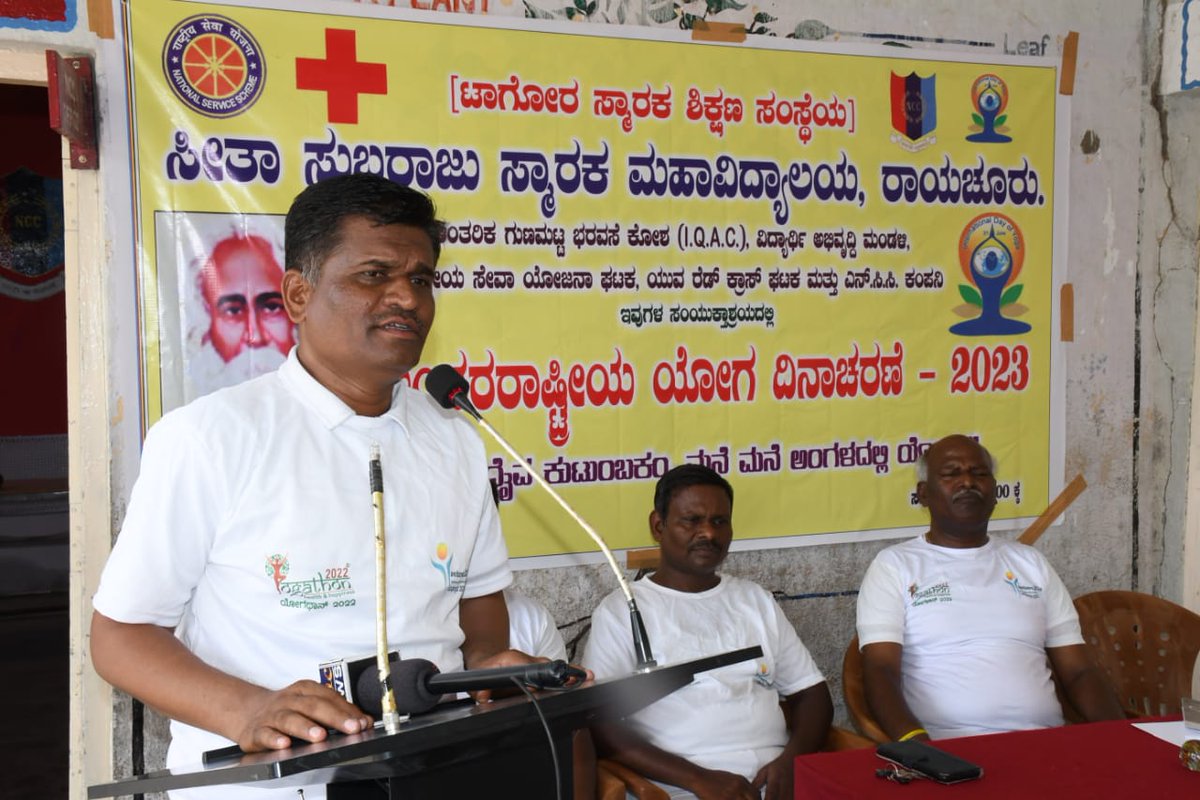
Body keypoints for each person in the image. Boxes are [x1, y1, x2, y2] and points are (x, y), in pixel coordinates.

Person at [90, 174, 531, 799]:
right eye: (374, 275)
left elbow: (480, 607)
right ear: (298, 294)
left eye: (422, 278)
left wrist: (489, 666)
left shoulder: (456, 439)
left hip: (431, 776)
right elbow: (121, 638)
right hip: (269, 789)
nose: (407, 297)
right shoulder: (210, 436)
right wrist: (248, 710)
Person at [583, 465, 832, 800]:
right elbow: (601, 724)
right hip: (680, 787)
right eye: (692, 520)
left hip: (776, 781)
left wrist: (790, 761)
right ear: (659, 526)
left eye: (719, 521)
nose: (709, 534)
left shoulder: (755, 600)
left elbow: (812, 695)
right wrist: (699, 779)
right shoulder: (621, 611)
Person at [856, 434, 1124, 742]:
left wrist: (1120, 738)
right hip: (949, 748)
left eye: (980, 474)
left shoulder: (1031, 564)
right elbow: (880, 671)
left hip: (1044, 746)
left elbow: (1079, 671)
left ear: (996, 492)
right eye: (951, 474)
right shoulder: (895, 566)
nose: (967, 482)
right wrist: (919, 747)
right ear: (923, 494)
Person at [187, 231, 295, 395]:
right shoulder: (196, 418)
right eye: (233, 311)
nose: (256, 337)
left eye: (272, 308)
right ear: (208, 329)